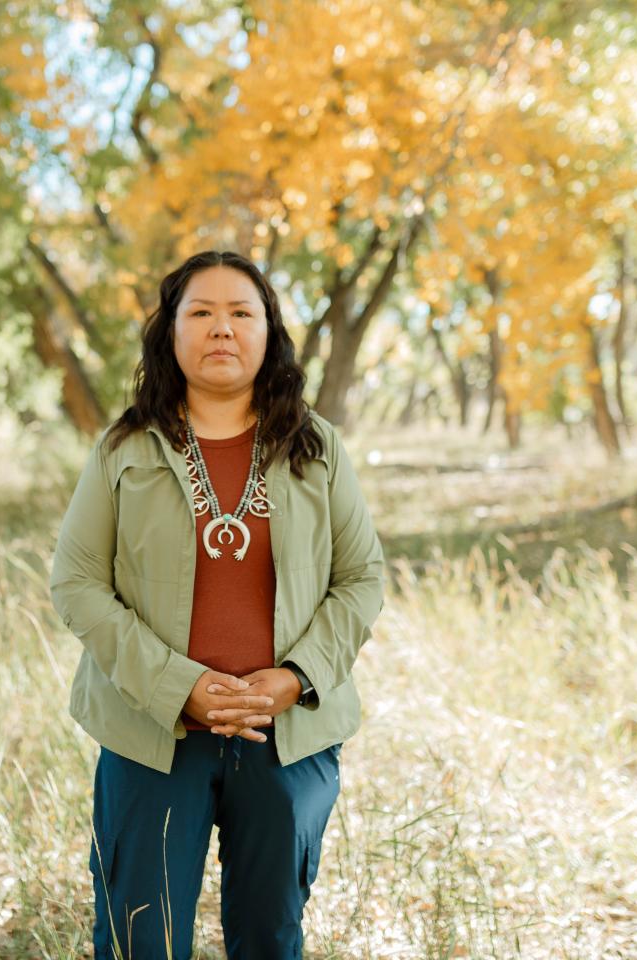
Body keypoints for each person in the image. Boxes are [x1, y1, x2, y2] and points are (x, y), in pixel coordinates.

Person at [49, 249, 386, 959]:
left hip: (285, 736)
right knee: (142, 936)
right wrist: (183, 688)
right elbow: (76, 582)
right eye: (200, 312)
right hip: (151, 733)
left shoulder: (317, 447)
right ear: (170, 333)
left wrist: (293, 679)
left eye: (242, 313)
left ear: (270, 333)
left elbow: (361, 578)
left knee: (270, 936)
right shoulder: (124, 447)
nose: (222, 329)